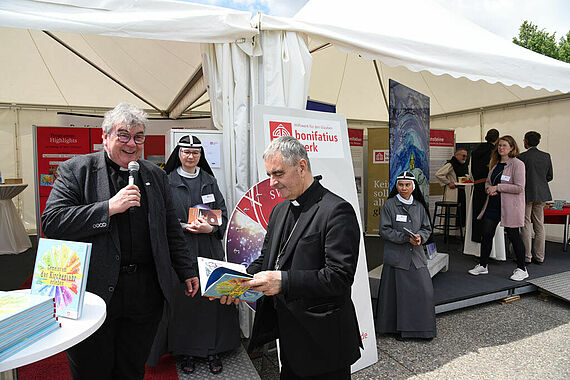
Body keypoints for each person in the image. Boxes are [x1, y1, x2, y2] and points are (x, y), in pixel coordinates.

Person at [41, 103, 199, 380]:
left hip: (145, 293)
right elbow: (53, 222)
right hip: (93, 291)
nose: (131, 143)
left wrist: (186, 269)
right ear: (105, 137)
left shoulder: (155, 175)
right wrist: (108, 208)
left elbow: (170, 228)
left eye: (138, 137)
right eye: (123, 135)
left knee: (132, 368)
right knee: (92, 369)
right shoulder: (77, 170)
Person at [220, 136, 362, 379]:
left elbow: (339, 277)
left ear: (302, 166)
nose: (272, 183)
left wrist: (284, 281)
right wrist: (237, 283)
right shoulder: (279, 209)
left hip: (324, 341)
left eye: (278, 174)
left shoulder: (337, 210)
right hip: (290, 337)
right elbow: (267, 259)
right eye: (269, 175)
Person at [156, 135, 240, 374]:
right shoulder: (167, 181)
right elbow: (161, 216)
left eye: (195, 153)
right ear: (178, 155)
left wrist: (211, 228)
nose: (190, 156)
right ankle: (186, 353)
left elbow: (222, 213)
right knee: (185, 302)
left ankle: (213, 350)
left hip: (209, 251)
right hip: (181, 252)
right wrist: (182, 227)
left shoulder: (209, 181)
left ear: (200, 156)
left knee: (211, 300)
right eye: (186, 152)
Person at [376, 171, 435, 340]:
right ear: (396, 186)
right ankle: (397, 330)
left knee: (425, 291)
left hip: (416, 256)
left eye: (407, 185)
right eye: (401, 185)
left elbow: (426, 228)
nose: (404, 188)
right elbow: (384, 230)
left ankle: (421, 330)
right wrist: (404, 238)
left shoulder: (419, 206)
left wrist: (420, 237)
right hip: (396, 257)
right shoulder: (389, 205)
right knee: (397, 296)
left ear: (413, 187)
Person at [468, 135, 528, 281]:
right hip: (493, 205)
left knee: (514, 235)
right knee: (486, 233)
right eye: (499, 145)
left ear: (512, 148)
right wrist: (489, 189)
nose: (501, 148)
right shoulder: (495, 164)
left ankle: (522, 268)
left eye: (504, 146)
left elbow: (519, 187)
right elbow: (488, 182)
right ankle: (483, 265)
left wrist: (498, 187)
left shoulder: (518, 164)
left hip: (510, 206)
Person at [518, 131, 553, 264]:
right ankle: (540, 256)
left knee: (525, 224)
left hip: (526, 194)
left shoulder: (522, 157)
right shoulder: (546, 156)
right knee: (539, 225)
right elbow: (550, 176)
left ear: (526, 141)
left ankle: (527, 256)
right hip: (542, 194)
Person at [469, 129, 500, 242]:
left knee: (477, 213)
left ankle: (476, 241)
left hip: (477, 185)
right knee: (489, 215)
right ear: (497, 139)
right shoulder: (495, 152)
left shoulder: (476, 150)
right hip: (490, 186)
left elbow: (470, 170)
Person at [435, 148, 469, 226]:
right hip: (453, 192)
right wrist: (448, 182)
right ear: (457, 155)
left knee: (461, 213)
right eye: (463, 156)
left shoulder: (464, 165)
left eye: (466, 156)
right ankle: (450, 233)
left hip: (462, 191)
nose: (465, 158)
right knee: (452, 213)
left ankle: (458, 232)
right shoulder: (451, 164)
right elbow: (439, 174)